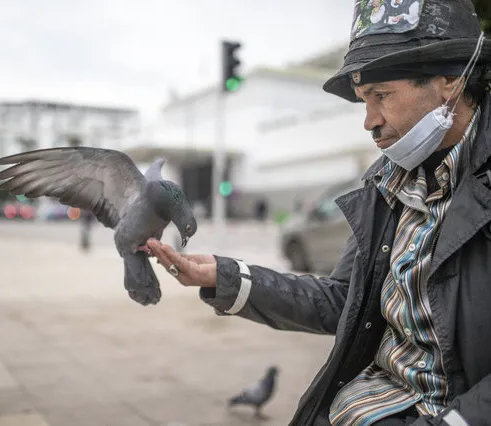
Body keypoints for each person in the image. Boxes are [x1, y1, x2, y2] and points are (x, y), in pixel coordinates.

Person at [146, 1, 491, 425]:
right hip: (360, 409)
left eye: (381, 96)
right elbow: (342, 300)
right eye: (364, 101)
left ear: (450, 81)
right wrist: (223, 275)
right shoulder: (387, 185)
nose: (369, 121)